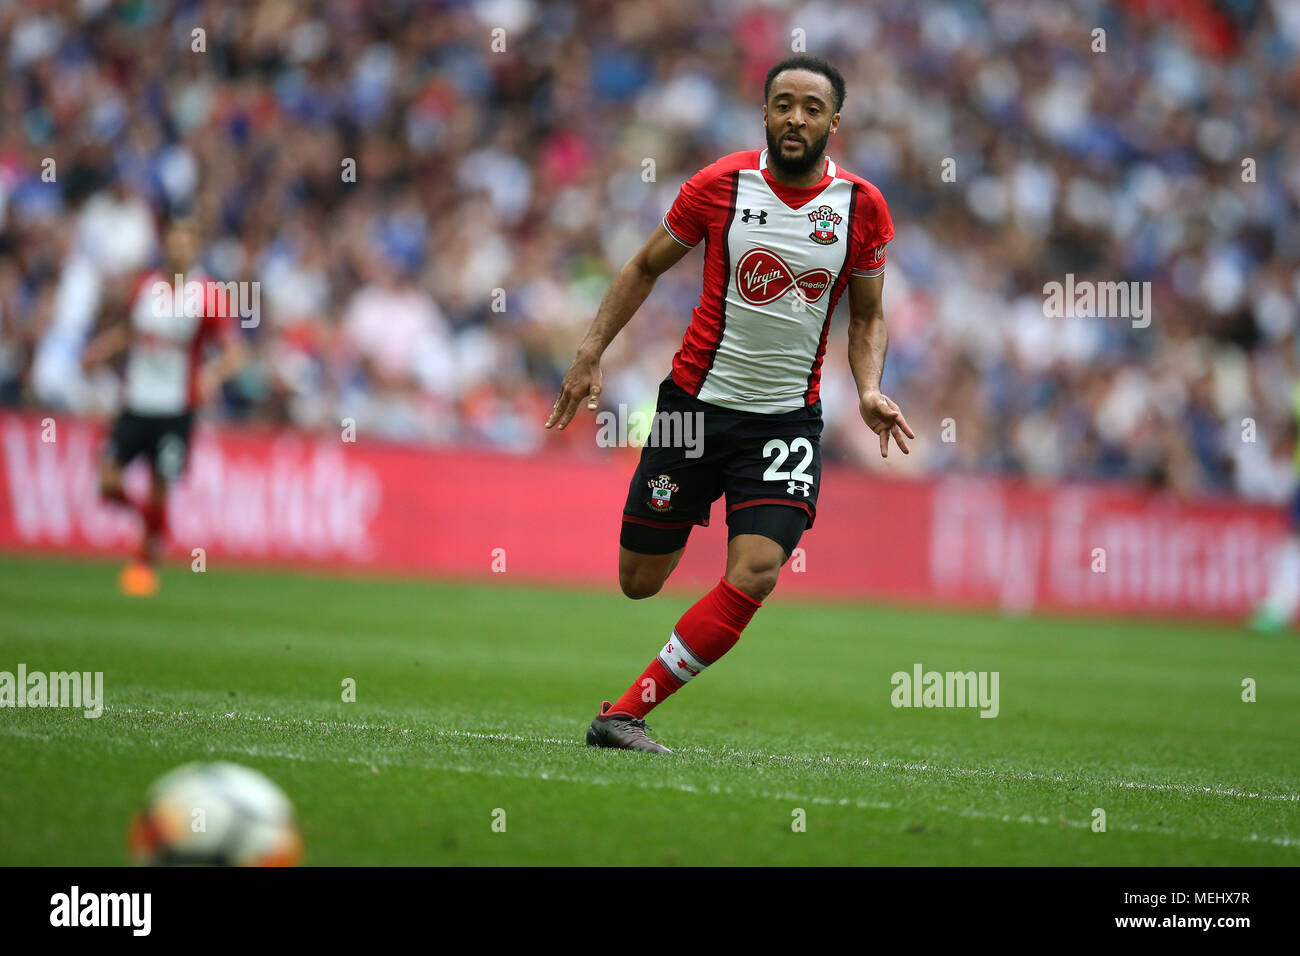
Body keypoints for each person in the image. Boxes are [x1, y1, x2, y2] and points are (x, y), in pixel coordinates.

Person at [546, 56, 914, 753]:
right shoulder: (721, 184)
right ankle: (681, 526)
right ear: (766, 114)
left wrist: (867, 388)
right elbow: (644, 266)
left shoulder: (864, 208)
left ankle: (622, 715)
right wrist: (589, 352)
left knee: (756, 570)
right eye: (783, 104)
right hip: (691, 409)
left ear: (835, 121)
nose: (795, 118)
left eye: (811, 107)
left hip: (784, 423)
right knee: (638, 580)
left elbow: (868, 317)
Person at [82, 217, 246, 595]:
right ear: (165, 245)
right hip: (136, 401)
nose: (178, 249)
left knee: (160, 486)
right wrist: (102, 349)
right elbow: (129, 331)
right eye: (173, 242)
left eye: (186, 243)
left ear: (196, 248)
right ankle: (151, 522)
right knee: (108, 481)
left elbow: (234, 351)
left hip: (175, 408)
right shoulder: (144, 286)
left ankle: (143, 566)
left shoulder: (208, 294)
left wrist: (212, 375)